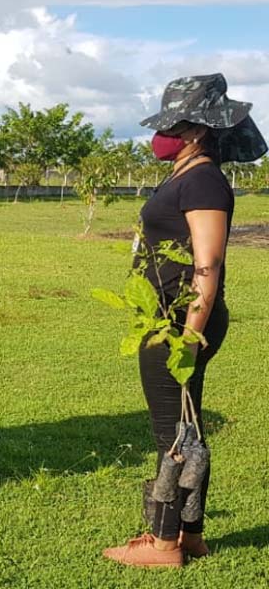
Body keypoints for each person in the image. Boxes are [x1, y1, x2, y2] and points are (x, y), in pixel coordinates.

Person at [103, 74, 267, 567]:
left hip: (177, 325)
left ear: (198, 130)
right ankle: (190, 535)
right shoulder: (185, 172)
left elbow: (207, 264)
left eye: (174, 124)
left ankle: (164, 543)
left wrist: (190, 334)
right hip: (168, 320)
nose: (163, 134)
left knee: (169, 433)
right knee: (185, 428)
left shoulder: (202, 180)